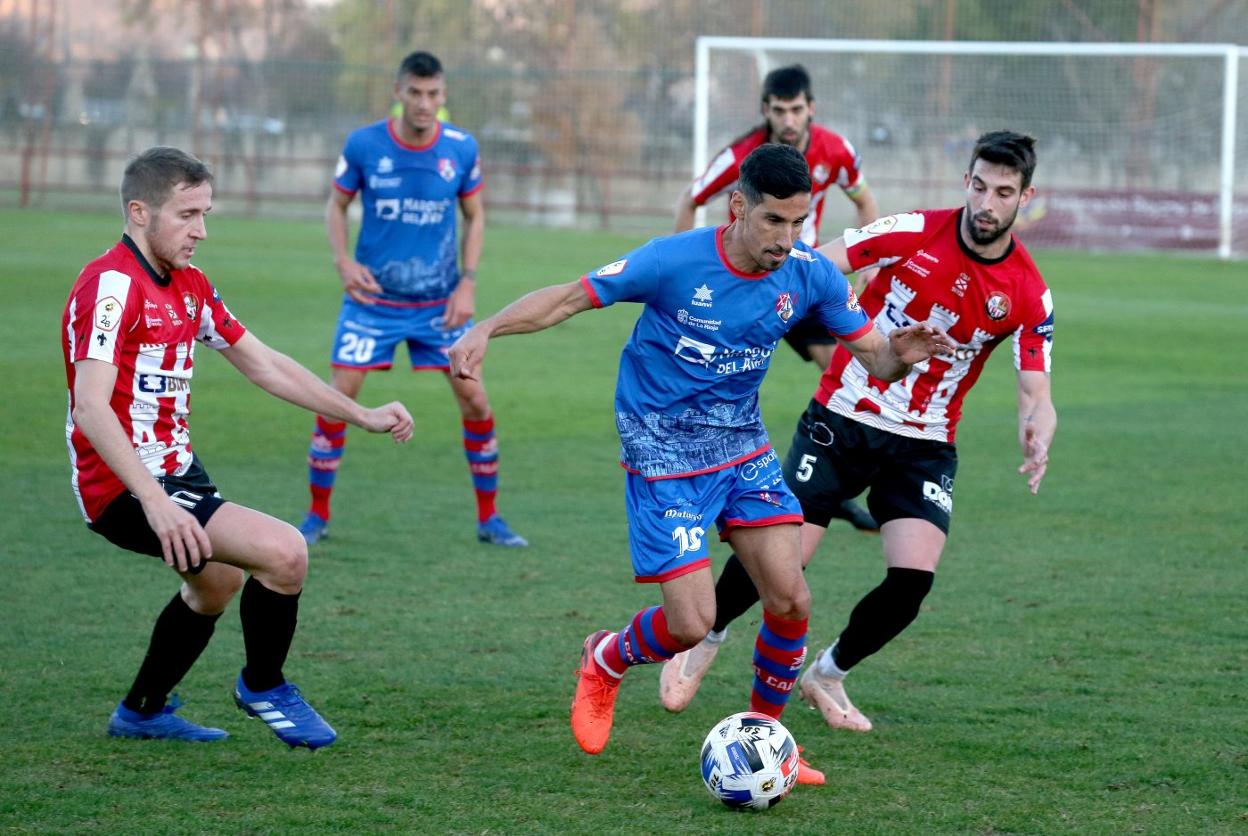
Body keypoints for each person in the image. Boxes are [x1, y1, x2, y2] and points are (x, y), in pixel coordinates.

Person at [449, 144, 954, 781]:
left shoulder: (808, 274)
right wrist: (485, 328)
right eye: (774, 221)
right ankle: (605, 657)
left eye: (799, 224)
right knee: (691, 625)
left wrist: (901, 352)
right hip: (661, 443)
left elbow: (876, 359)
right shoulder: (673, 259)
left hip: (741, 442)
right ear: (738, 206)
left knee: (791, 598)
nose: (787, 239)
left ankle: (769, 744)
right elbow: (569, 300)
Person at [659, 131, 1057, 735]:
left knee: (911, 584)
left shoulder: (1029, 291)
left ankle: (828, 673)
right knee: (783, 561)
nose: (986, 203)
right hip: (843, 419)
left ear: (1025, 197)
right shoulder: (914, 229)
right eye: (979, 186)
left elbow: (1037, 394)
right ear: (966, 182)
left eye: (1003, 193)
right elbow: (821, 260)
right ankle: (706, 637)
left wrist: (1038, 431)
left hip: (925, 444)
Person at [62, 146, 415, 746]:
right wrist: (153, 500)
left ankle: (142, 712)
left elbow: (265, 365)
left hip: (175, 473)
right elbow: (91, 407)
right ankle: (264, 685)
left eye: (205, 213)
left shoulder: (191, 285)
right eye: (187, 214)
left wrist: (361, 414)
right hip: (122, 486)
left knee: (217, 582)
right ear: (140, 212)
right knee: (285, 553)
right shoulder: (111, 286)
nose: (201, 230)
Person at [298, 50, 526, 548]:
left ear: (443, 97)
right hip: (371, 301)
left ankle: (490, 518)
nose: (424, 104)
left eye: (434, 94)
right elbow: (336, 207)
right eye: (416, 93)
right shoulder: (364, 144)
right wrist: (343, 261)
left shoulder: (461, 149)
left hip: (439, 304)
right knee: (339, 398)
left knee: (474, 397)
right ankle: (316, 516)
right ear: (398, 92)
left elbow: (476, 216)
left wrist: (468, 282)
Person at [676, 63, 881, 532]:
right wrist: (685, 276)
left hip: (797, 280)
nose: (788, 120)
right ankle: (704, 481)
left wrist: (867, 265)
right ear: (765, 111)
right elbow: (690, 200)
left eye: (796, 109)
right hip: (742, 285)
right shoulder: (741, 157)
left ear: (811, 109)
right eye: (778, 110)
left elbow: (864, 201)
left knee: (844, 374)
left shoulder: (837, 151)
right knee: (715, 386)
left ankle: (826, 484)